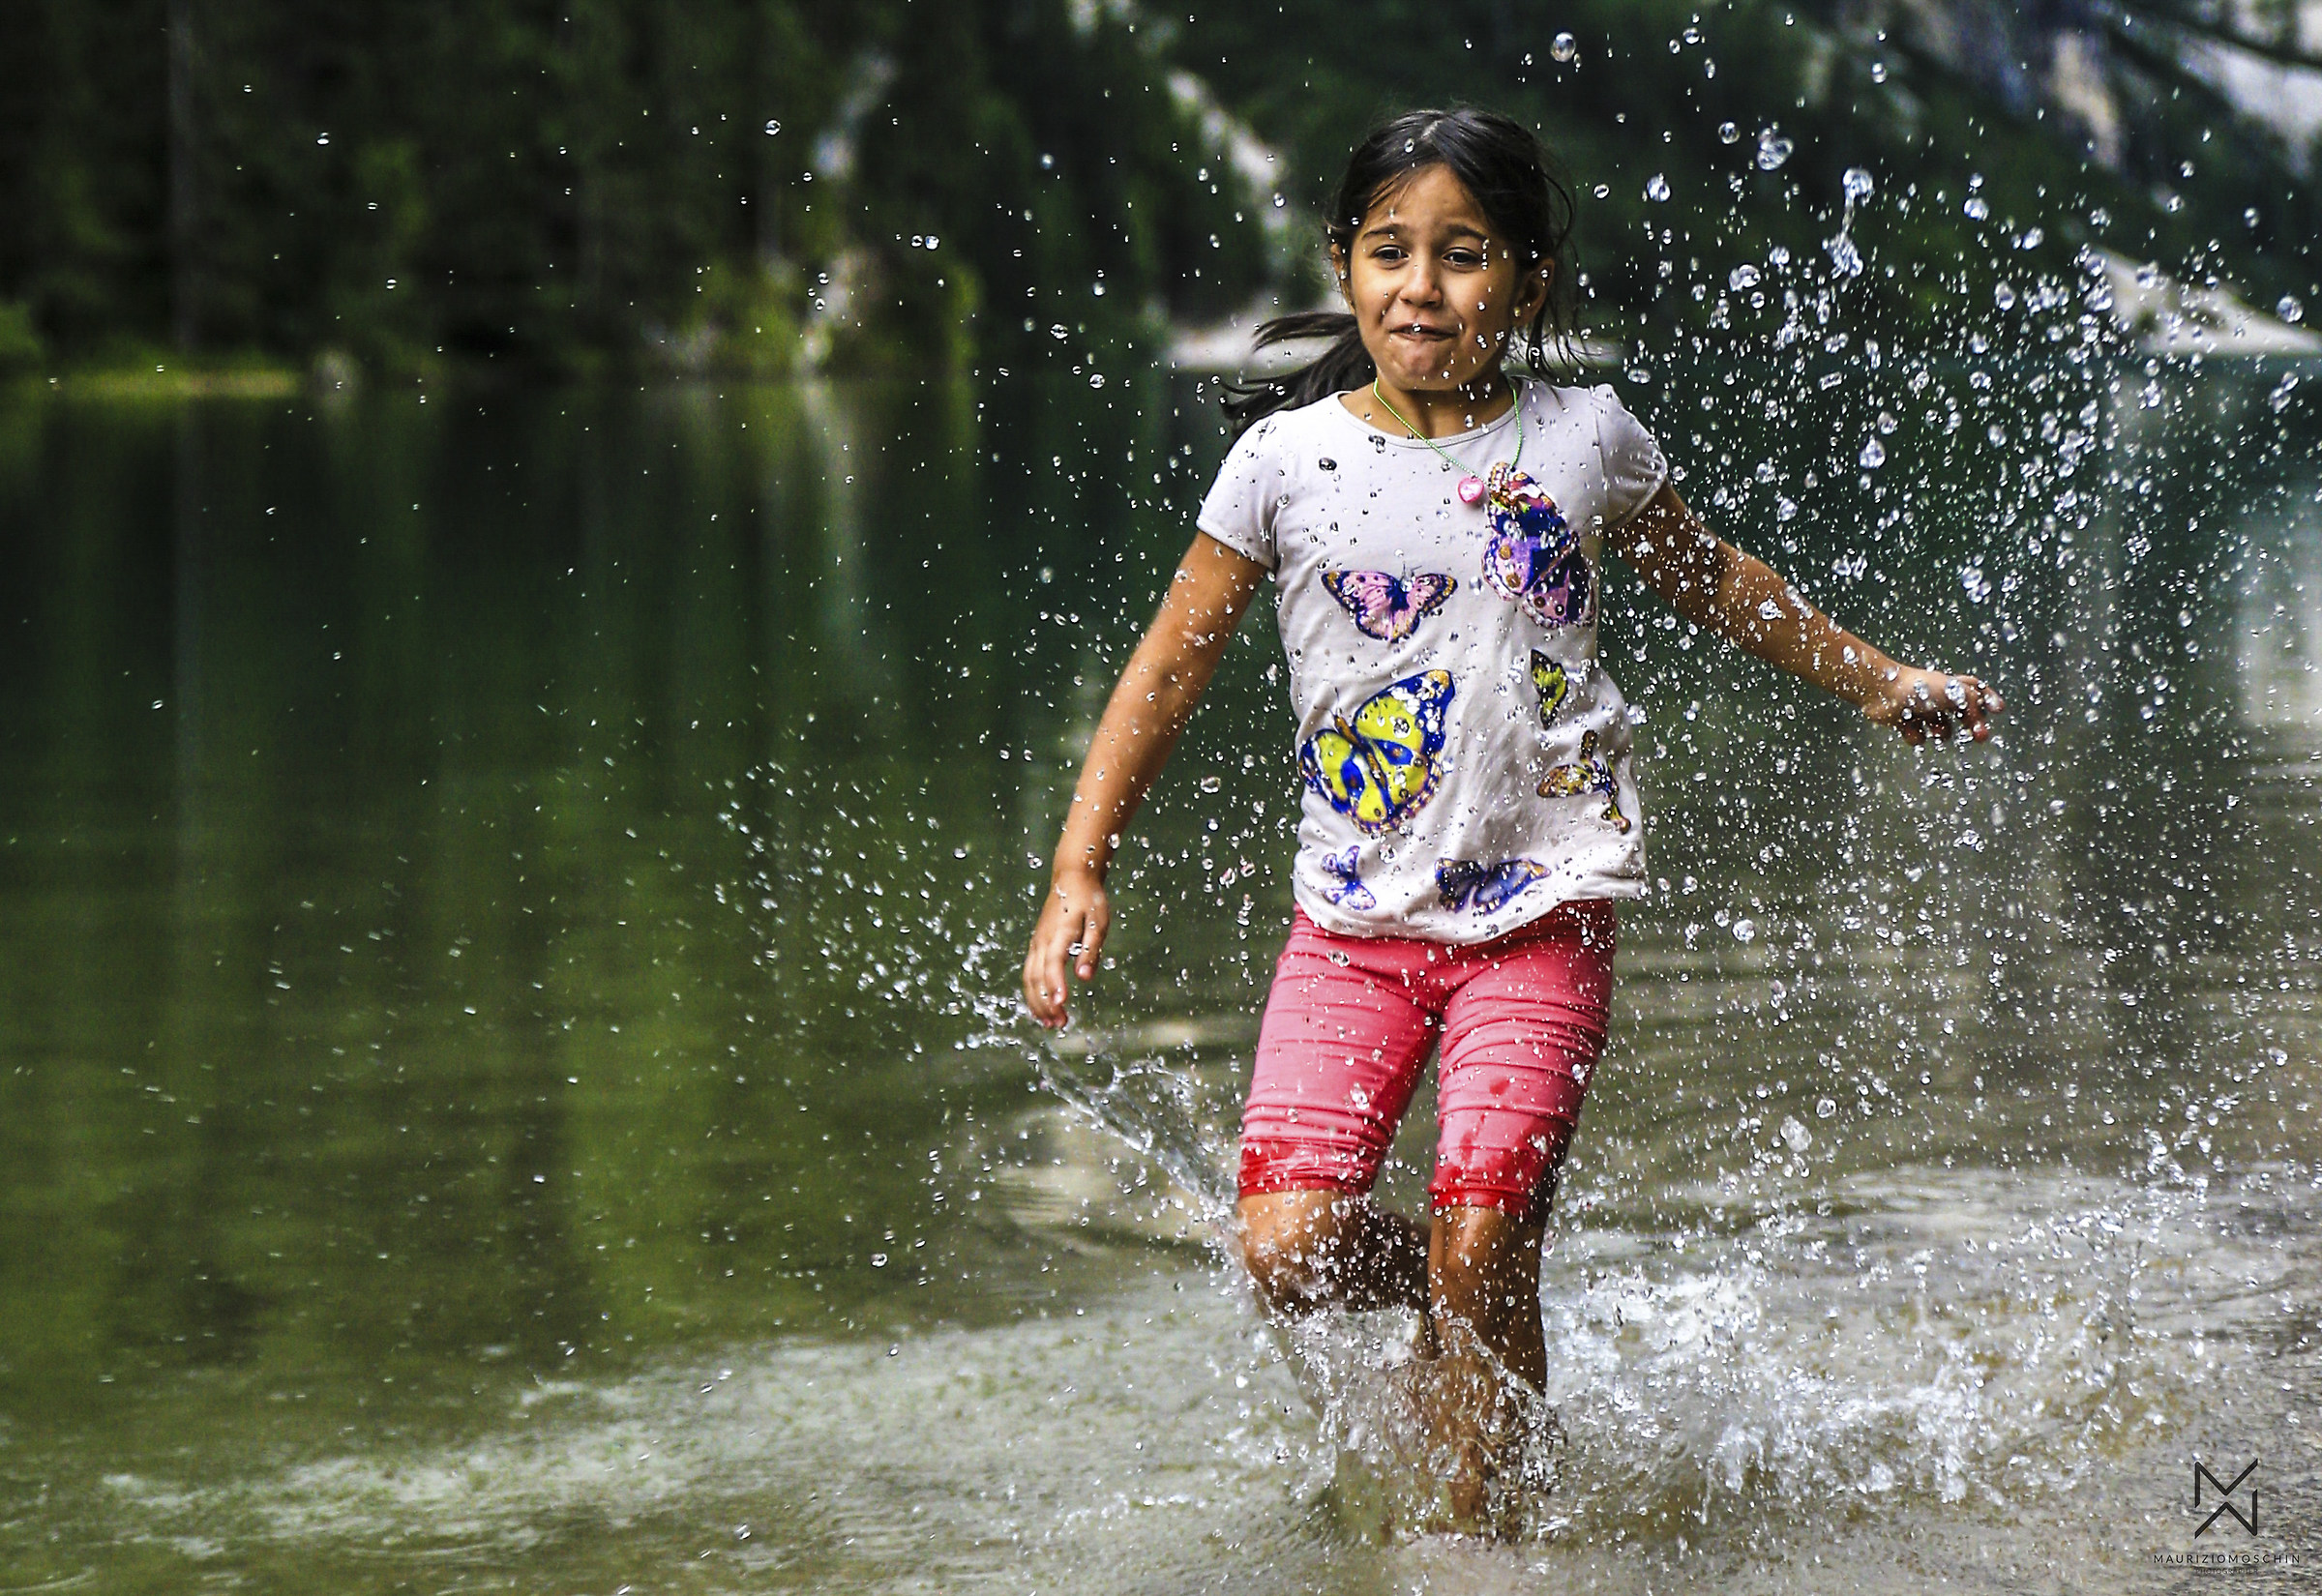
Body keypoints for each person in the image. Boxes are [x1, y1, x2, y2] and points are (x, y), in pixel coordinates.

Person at [1019, 105, 1999, 1530]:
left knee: (1486, 1238)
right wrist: (1080, 862)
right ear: (1345, 267)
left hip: (1545, 911)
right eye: (1390, 251)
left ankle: (1490, 1537)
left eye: (1464, 255)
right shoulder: (1283, 462)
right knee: (1286, 1245)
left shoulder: (1583, 438)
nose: (1422, 287)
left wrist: (1880, 681)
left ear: (1528, 284)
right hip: (1352, 926)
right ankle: (1450, 1298)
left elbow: (1721, 580)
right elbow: (1167, 670)